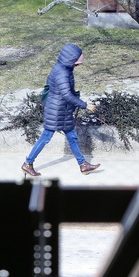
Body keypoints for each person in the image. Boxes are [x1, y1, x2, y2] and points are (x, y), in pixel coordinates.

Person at [21, 43, 100, 177]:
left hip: (63, 110)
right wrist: (84, 105)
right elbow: (67, 95)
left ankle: (83, 165)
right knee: (46, 137)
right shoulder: (62, 73)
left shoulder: (63, 68)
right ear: (69, 59)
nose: (77, 65)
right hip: (56, 111)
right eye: (76, 62)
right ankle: (28, 163)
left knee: (72, 137)